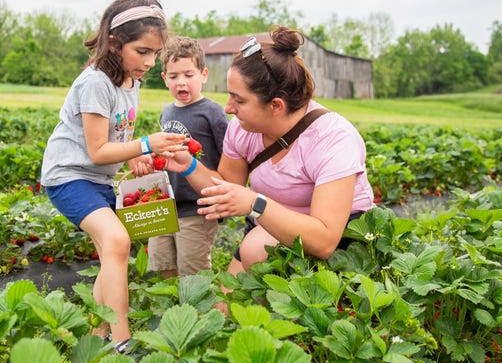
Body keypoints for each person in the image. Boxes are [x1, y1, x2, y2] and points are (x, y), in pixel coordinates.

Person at [160, 25, 374, 282]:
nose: (228, 108)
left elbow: (324, 240)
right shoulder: (242, 129)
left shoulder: (332, 138)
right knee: (222, 311)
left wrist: (255, 203)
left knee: (257, 255)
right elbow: (226, 188)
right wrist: (189, 166)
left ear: (276, 105)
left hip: (339, 242)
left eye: (238, 100)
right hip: (269, 224)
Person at [40, 0, 187, 352]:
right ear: (114, 41)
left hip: (96, 178)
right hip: (69, 176)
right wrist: (146, 144)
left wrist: (134, 155)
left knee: (112, 252)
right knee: (118, 241)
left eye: (155, 53)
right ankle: (123, 343)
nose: (151, 62)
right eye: (142, 51)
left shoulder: (131, 82)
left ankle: (98, 336)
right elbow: (96, 149)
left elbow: (115, 141)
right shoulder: (95, 83)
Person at [147, 36, 229, 278]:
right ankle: (172, 310)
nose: (181, 83)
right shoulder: (167, 111)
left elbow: (228, 157)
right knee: (163, 265)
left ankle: (197, 313)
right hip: (166, 203)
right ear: (164, 79)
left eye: (188, 75)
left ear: (203, 75)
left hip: (197, 207)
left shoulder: (212, 112)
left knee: (192, 271)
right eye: (173, 77)